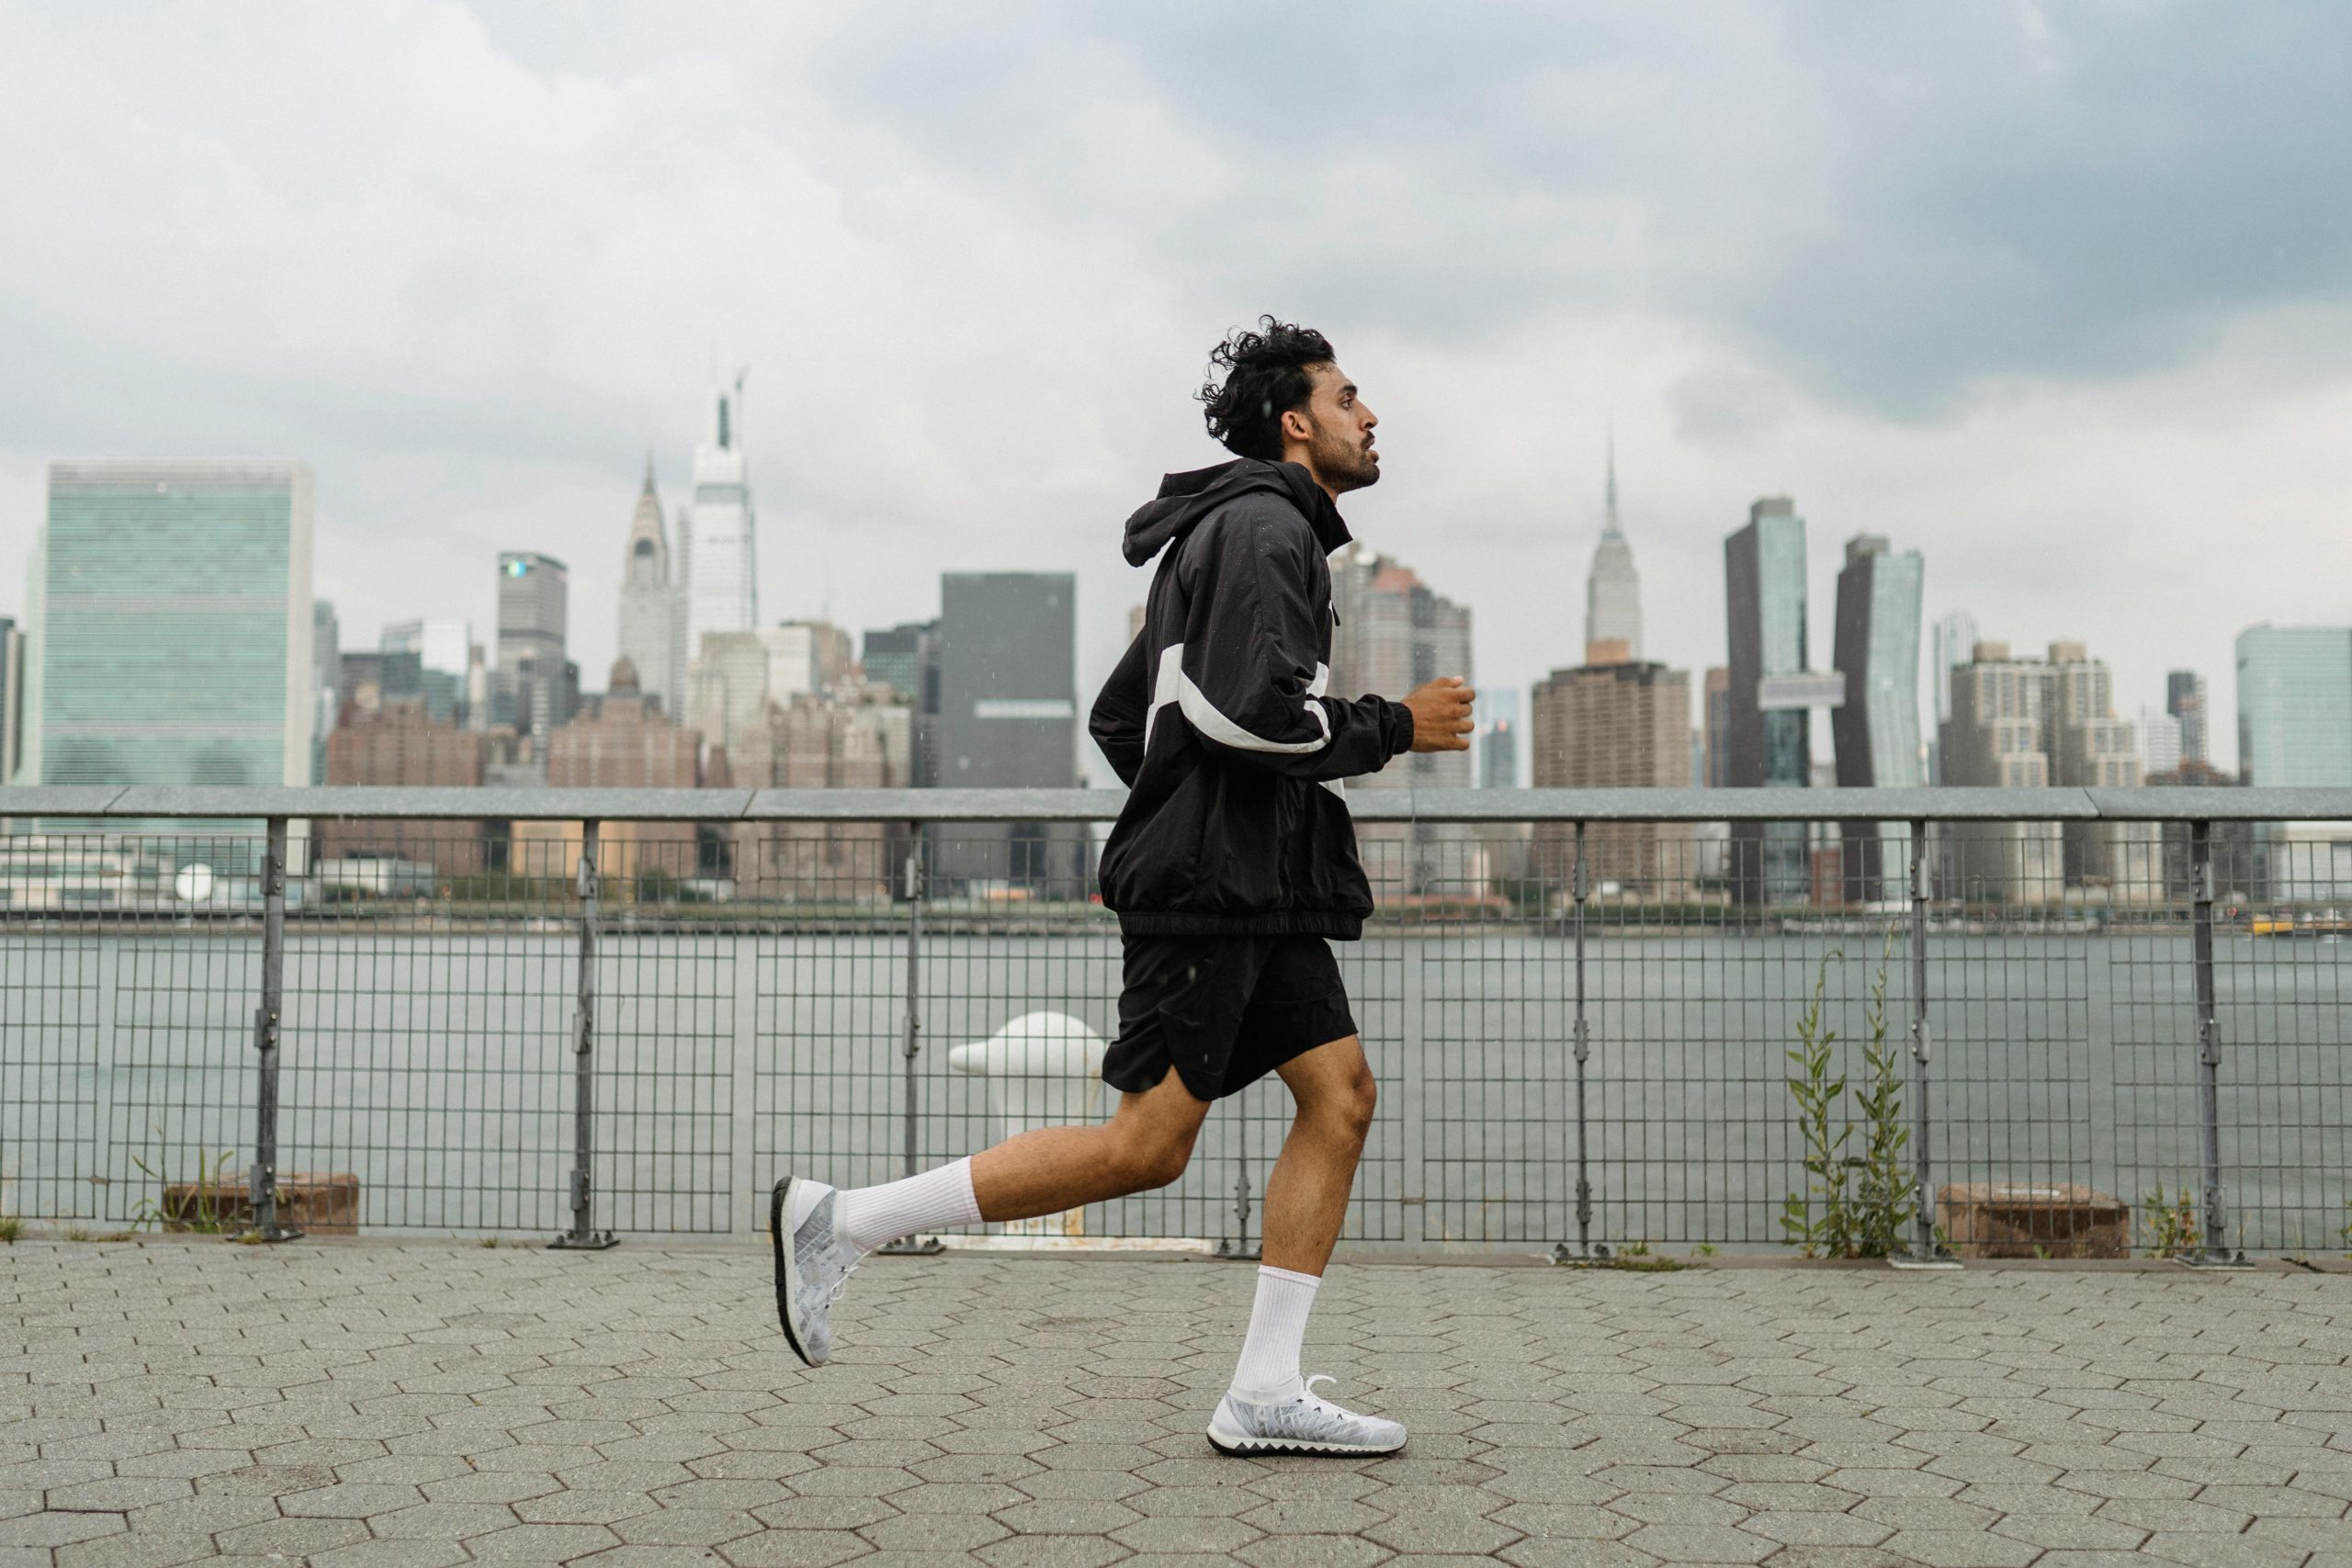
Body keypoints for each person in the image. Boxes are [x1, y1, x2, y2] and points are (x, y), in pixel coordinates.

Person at [771, 317, 1475, 1458]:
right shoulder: (1260, 529)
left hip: (1252, 883)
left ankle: (1262, 1390)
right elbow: (1249, 713)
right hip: (1212, 889)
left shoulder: (1238, 532)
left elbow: (1123, 714)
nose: (1371, 412)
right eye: (1351, 397)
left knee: (1340, 1097)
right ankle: (841, 1223)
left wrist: (1188, 806)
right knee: (1145, 1146)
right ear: (1294, 422)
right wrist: (1396, 727)